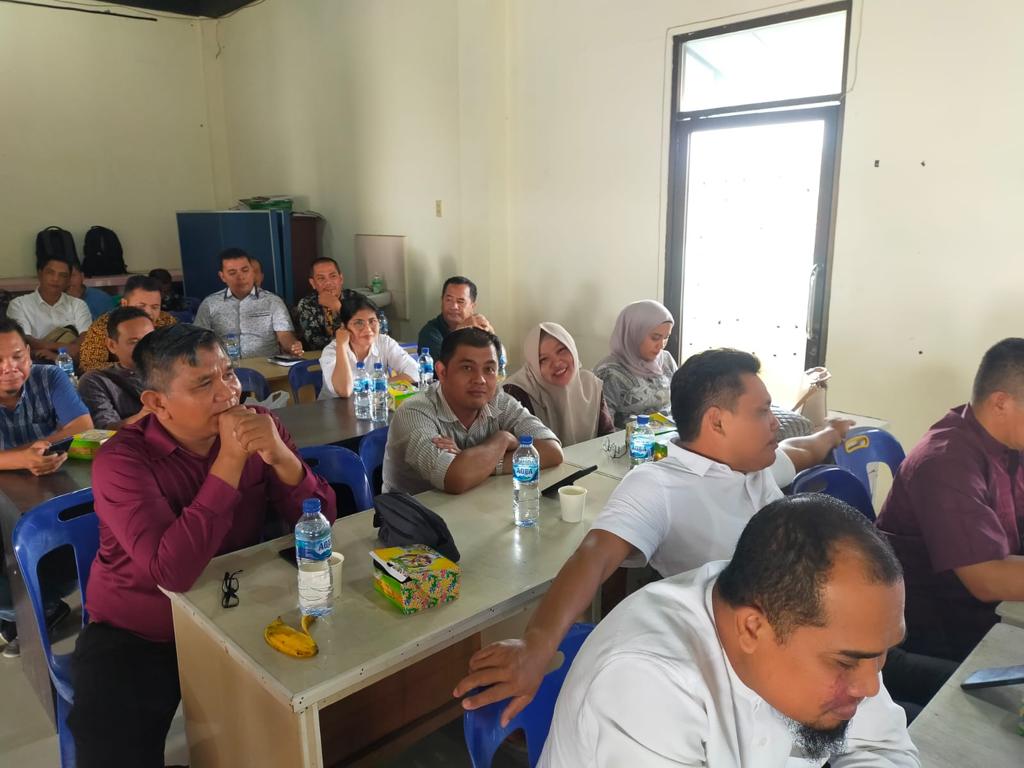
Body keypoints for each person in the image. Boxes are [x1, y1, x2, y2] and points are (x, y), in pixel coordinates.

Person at [454, 349, 852, 721]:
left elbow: (800, 449)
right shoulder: (659, 484)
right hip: (741, 674)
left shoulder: (754, 466)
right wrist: (537, 645)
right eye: (763, 411)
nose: (774, 422)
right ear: (717, 421)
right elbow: (595, 555)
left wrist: (832, 432)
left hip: (815, 632)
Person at [68, 323, 335, 767]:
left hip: (237, 606)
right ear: (157, 403)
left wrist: (281, 457)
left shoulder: (260, 425)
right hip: (141, 627)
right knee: (110, 744)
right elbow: (171, 573)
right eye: (204, 384)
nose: (228, 392)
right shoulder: (121, 460)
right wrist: (230, 459)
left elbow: (323, 520)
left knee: (312, 713)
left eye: (228, 374)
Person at [538, 494, 919, 767]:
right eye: (847, 662)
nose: (870, 687)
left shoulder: (822, 626)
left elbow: (882, 748)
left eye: (881, 655)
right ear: (752, 629)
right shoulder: (645, 683)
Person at [876, 337, 1024, 662]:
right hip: (938, 636)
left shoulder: (1009, 443)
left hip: (988, 616)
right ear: (1001, 403)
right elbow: (987, 579)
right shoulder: (945, 462)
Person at [0, 318, 92, 657]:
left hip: (55, 492)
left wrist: (31, 452)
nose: (9, 368)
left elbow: (82, 426)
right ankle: (26, 610)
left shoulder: (49, 377)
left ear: (28, 352)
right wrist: (23, 458)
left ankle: (44, 603)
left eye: (17, 357)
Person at [383, 327, 563, 495]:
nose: (480, 380)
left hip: (477, 505)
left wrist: (477, 461)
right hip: (413, 515)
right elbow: (456, 478)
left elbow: (552, 451)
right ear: (442, 372)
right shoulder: (414, 412)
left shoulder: (499, 401)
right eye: (467, 368)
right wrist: (503, 439)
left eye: (489, 369)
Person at [503, 322, 614, 446]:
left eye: (561, 350)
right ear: (533, 365)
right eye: (543, 359)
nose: (556, 363)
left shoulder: (589, 385)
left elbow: (608, 438)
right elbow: (517, 451)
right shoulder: (515, 392)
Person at [194, 248, 302, 359]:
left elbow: (284, 335)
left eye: (245, 270)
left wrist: (293, 346)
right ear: (222, 276)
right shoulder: (210, 304)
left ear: (252, 272)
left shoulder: (272, 301)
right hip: (224, 365)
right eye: (232, 273)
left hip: (265, 364)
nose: (240, 277)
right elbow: (198, 339)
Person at [593, 299, 677, 428]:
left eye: (666, 337)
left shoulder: (666, 359)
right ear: (634, 333)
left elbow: (681, 400)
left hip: (671, 435)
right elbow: (604, 429)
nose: (661, 345)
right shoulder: (608, 373)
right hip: (632, 439)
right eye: (655, 337)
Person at [318, 295, 418, 399]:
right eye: (359, 323)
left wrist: (374, 385)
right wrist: (341, 346)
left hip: (374, 405)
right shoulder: (331, 351)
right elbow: (344, 391)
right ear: (344, 327)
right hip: (334, 407)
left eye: (372, 321)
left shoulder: (384, 342)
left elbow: (414, 372)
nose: (368, 329)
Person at [78, 275, 177, 372]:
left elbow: (180, 356)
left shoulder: (167, 321)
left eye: (155, 307)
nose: (148, 312)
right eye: (141, 306)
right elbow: (90, 366)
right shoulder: (102, 326)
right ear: (124, 304)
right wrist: (129, 368)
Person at [77, 307, 155, 429]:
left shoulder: (171, 371)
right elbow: (104, 431)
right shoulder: (97, 381)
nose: (145, 348)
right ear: (112, 345)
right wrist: (144, 415)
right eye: (134, 342)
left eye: (149, 339)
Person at [6, 256, 92, 362]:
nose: (56, 279)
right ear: (40, 274)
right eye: (50, 273)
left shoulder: (78, 305)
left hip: (72, 363)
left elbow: (85, 339)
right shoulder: (19, 304)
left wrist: (57, 356)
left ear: (68, 281)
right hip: (36, 363)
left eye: (62, 275)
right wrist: (62, 348)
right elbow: (25, 340)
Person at [294, 257, 385, 350]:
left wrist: (339, 308)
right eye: (321, 278)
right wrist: (350, 340)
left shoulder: (357, 299)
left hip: (359, 354)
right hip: (322, 356)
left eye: (333, 276)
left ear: (341, 279)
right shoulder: (307, 304)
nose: (328, 282)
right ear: (313, 283)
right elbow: (315, 343)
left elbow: (381, 331)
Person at [416, 276, 495, 355]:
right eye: (449, 300)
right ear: (442, 301)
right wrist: (460, 331)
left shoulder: (477, 329)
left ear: (472, 307)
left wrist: (492, 338)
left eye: (460, 301)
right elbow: (444, 361)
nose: (454, 306)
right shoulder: (429, 333)